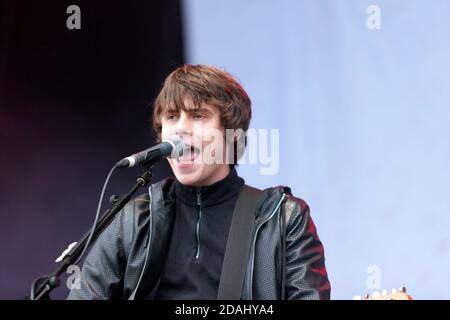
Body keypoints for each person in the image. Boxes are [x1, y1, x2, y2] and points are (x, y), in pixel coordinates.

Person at [67, 64, 331, 300]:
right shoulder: (134, 219)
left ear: (231, 134)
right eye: (171, 117)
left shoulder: (282, 218)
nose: (181, 129)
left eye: (198, 116)